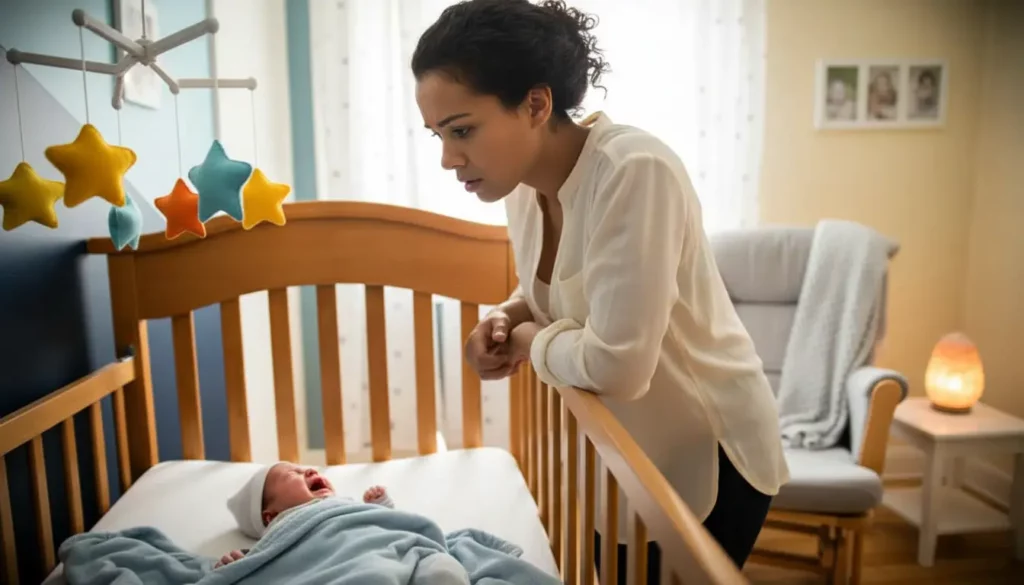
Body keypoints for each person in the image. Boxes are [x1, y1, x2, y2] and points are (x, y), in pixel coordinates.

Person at [411, 0, 790, 582]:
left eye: (462, 130)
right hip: (629, 447)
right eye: (437, 134)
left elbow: (617, 366)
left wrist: (528, 340)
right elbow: (560, 290)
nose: (446, 158)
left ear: (536, 104)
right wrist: (503, 318)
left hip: (710, 449)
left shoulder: (634, 171)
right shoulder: (519, 187)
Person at [218, 462, 393, 568]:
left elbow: (384, 530)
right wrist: (235, 567)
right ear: (271, 517)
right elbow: (268, 568)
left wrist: (378, 508)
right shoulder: (279, 533)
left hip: (376, 556)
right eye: (292, 474)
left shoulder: (346, 506)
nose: (310, 470)